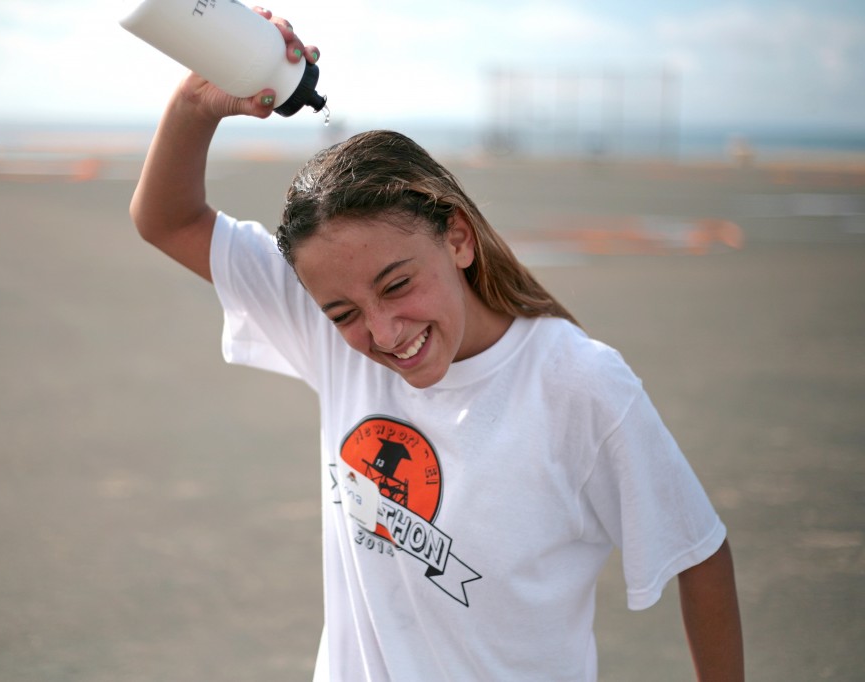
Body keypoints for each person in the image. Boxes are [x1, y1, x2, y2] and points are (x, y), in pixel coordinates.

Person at [129, 8, 743, 680]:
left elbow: (698, 553)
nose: (384, 333)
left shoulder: (576, 382)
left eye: (397, 285)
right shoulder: (330, 334)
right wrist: (199, 101)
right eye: (343, 312)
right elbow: (166, 218)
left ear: (457, 236)